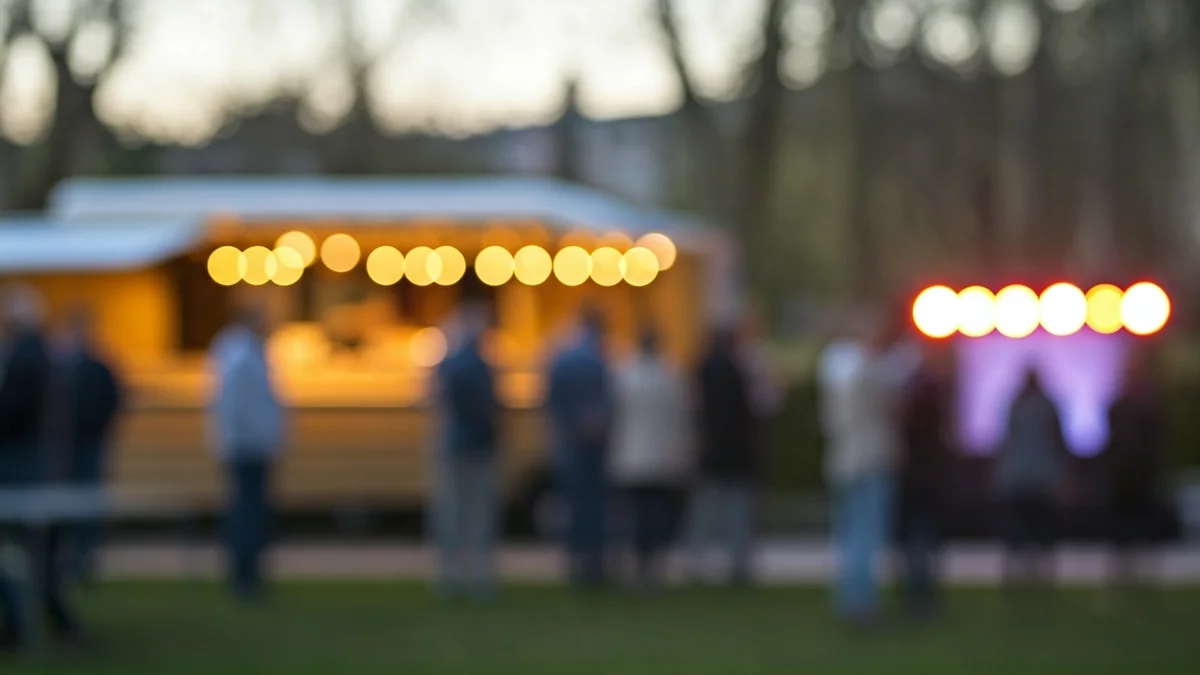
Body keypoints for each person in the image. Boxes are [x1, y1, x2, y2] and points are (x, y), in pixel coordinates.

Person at [817, 311, 915, 626]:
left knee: (850, 535)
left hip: (844, 462)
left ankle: (852, 600)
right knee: (866, 535)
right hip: (870, 462)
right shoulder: (872, 374)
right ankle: (861, 604)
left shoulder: (838, 376)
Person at [0, 284, 82, 649]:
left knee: (24, 548)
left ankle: (23, 624)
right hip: (41, 461)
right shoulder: (45, 353)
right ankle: (49, 620)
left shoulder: (24, 355)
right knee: (39, 549)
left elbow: (11, 412)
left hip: (21, 464)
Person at [209, 307, 285, 603]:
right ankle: (244, 576)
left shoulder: (246, 352)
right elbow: (236, 406)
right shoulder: (241, 356)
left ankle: (248, 572)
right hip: (246, 447)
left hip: (251, 444)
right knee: (246, 512)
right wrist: (254, 436)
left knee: (250, 510)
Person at [45, 308, 123, 585]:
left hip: (89, 444)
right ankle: (67, 559)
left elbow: (113, 400)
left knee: (88, 503)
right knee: (67, 504)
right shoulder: (63, 365)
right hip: (64, 447)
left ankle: (85, 557)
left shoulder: (97, 365)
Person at [610, 327, 691, 592]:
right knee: (656, 515)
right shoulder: (669, 376)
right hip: (660, 458)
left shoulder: (624, 375)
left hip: (632, 457)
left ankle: (639, 567)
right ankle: (653, 567)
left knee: (636, 516)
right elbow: (681, 419)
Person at [432, 304, 501, 601]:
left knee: (452, 512)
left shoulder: (448, 365)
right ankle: (480, 577)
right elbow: (493, 407)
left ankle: (449, 576)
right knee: (479, 516)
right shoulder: (484, 366)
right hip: (481, 445)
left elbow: (437, 401)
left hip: (453, 445)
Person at [547, 307, 614, 589]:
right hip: (595, 445)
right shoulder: (601, 358)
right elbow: (612, 401)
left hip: (568, 443)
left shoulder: (563, 357)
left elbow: (550, 399)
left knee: (575, 504)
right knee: (596, 506)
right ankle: (594, 564)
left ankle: (575, 563)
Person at [687, 323, 760, 587]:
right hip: (736, 450)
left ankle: (696, 561)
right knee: (736, 509)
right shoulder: (737, 370)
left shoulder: (704, 368)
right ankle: (737, 562)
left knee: (707, 508)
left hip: (713, 449)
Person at [995, 367, 1069, 593]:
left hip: (1024, 477)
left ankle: (1021, 577)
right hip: (1036, 477)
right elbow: (1057, 442)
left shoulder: (1018, 405)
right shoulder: (1041, 406)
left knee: (1024, 530)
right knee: (1036, 530)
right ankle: (1036, 577)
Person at [896, 345, 954, 617]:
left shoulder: (914, 396)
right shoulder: (930, 396)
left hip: (917, 479)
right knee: (922, 539)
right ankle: (921, 595)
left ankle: (918, 594)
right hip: (924, 479)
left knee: (918, 540)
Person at [1103, 350, 1165, 598]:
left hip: (1140, 477)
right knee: (1121, 530)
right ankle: (1123, 578)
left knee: (1140, 528)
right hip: (1123, 478)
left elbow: (1156, 442)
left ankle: (1141, 579)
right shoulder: (1118, 406)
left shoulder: (1148, 406)